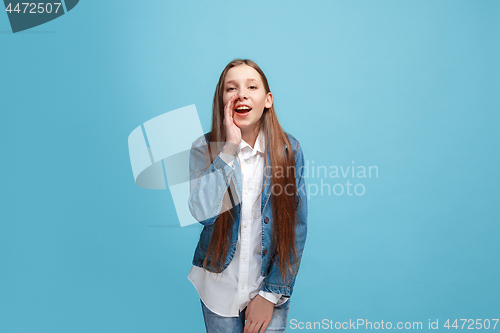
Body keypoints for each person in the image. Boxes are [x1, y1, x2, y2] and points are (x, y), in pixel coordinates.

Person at [187, 58, 308, 333]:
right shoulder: (203, 148)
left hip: (267, 287)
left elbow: (296, 229)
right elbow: (203, 214)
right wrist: (228, 149)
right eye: (231, 88)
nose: (241, 93)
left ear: (267, 100)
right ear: (222, 100)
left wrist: (270, 294)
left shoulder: (290, 151)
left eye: (251, 87)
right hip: (219, 288)